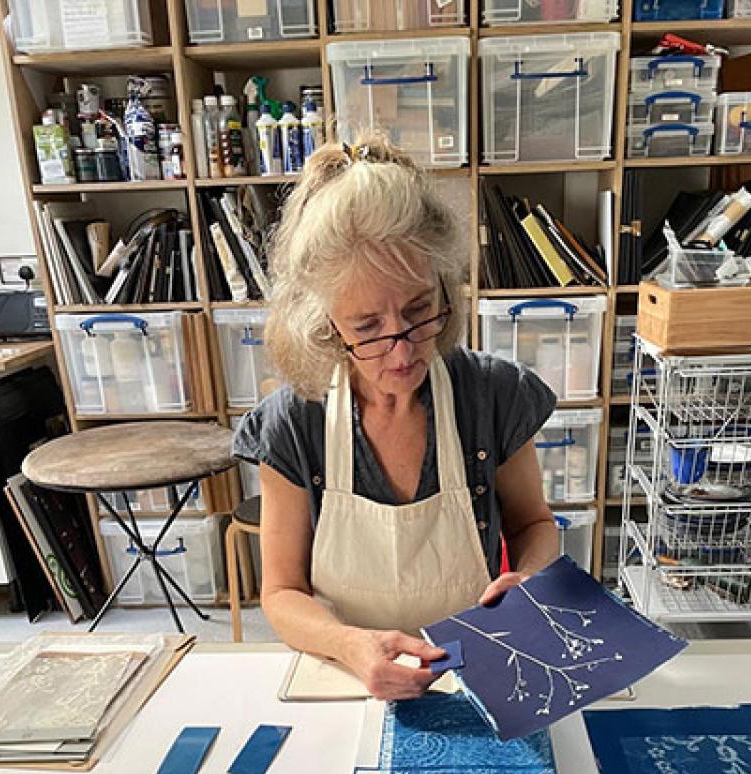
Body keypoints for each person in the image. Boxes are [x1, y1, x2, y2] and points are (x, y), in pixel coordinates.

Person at [234, 135, 559, 700]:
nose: (403, 351)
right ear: (324, 323)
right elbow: (282, 593)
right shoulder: (294, 422)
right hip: (348, 677)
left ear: (444, 288)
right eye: (366, 329)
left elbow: (535, 525)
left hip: (476, 674)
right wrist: (351, 645)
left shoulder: (492, 395)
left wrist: (528, 580)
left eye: (417, 312)